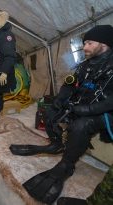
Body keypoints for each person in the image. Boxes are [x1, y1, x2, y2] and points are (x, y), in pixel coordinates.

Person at [9, 25, 113, 204]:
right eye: (84, 43)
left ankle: (67, 164)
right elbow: (69, 85)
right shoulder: (85, 65)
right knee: (49, 111)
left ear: (104, 44)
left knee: (81, 124)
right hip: (82, 106)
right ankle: (56, 143)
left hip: (104, 113)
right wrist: (60, 99)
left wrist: (87, 111)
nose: (85, 47)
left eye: (89, 43)